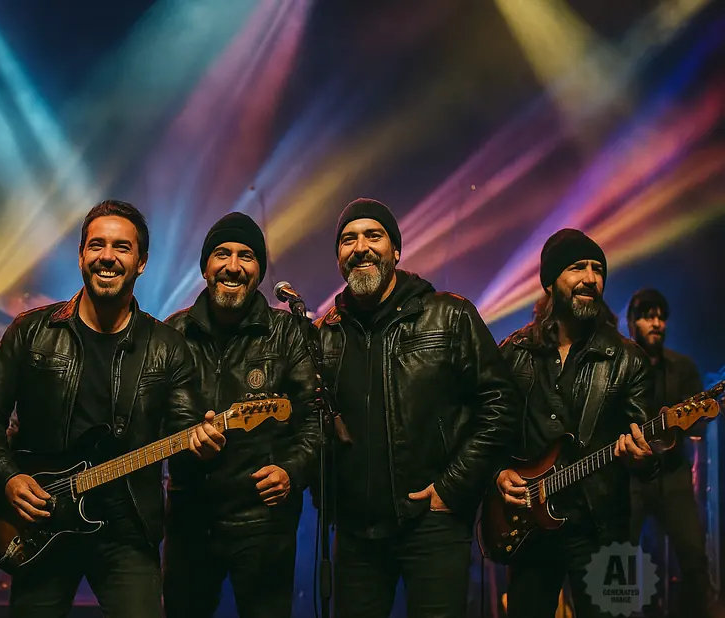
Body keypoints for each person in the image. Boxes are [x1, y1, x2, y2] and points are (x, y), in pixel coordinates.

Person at [0, 199, 224, 618]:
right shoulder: (31, 331)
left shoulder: (167, 347)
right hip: (41, 519)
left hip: (127, 529)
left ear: (141, 262)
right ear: (81, 254)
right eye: (97, 245)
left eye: (122, 247)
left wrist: (202, 446)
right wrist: (8, 478)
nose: (107, 256)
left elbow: (185, 432)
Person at [315, 198, 520, 618]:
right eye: (348, 240)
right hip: (355, 534)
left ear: (396, 250)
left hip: (432, 525)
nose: (360, 247)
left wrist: (453, 486)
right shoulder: (325, 334)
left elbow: (501, 403)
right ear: (338, 257)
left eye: (373, 236)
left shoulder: (449, 315)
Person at [162, 213, 321, 618]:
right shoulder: (172, 332)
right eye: (222, 254)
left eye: (246, 256)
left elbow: (315, 419)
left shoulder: (287, 332)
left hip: (264, 522)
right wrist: (185, 437)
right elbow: (151, 416)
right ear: (205, 267)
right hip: (189, 521)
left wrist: (291, 471)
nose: (233, 266)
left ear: (259, 273)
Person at [496, 229, 657, 618]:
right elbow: (487, 429)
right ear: (550, 282)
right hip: (530, 527)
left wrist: (643, 458)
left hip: (607, 527)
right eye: (577, 267)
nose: (590, 278)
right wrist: (498, 472)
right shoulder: (514, 352)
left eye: (598, 269)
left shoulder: (629, 360)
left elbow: (647, 448)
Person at [626, 288, 710, 618]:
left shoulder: (682, 367)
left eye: (661, 317)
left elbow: (698, 424)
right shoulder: (619, 367)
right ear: (632, 322)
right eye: (648, 316)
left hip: (672, 475)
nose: (657, 323)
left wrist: (694, 420)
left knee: (694, 557)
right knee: (617, 558)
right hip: (629, 479)